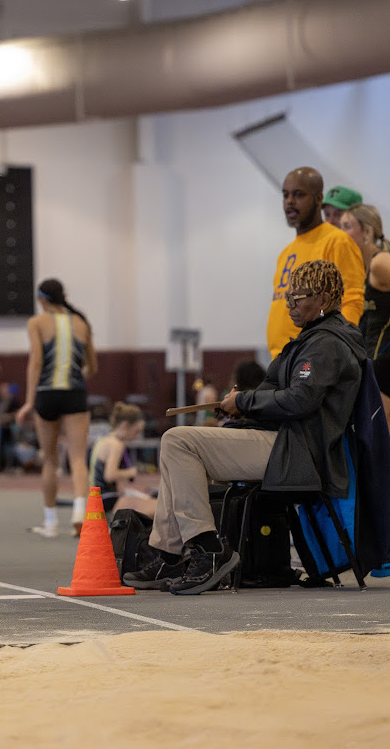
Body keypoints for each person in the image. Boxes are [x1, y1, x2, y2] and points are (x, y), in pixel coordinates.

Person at [125, 261, 364, 594]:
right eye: (288, 299)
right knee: (176, 447)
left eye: (298, 299)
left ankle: (209, 550)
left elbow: (300, 401)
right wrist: (243, 405)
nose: (290, 307)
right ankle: (168, 553)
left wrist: (246, 403)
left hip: (299, 453)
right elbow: (282, 395)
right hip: (286, 443)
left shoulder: (326, 344)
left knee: (178, 441)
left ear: (324, 297)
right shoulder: (315, 338)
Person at [16, 278, 98, 538]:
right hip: (74, 394)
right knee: (77, 458)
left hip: (46, 394)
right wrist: (76, 374)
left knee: (50, 459)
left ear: (42, 299)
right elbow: (92, 367)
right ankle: (78, 512)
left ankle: (50, 523)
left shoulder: (37, 323)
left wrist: (29, 402)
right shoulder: (81, 323)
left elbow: (36, 363)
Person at [267, 167, 364, 358]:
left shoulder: (337, 241)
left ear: (318, 199)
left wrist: (335, 349)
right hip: (281, 359)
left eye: (298, 195)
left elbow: (352, 300)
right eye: (285, 195)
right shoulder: (285, 252)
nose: (289, 202)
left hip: (314, 358)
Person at [340, 203, 390, 430]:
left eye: (347, 226)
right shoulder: (360, 270)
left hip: (384, 366)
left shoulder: (380, 262)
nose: (341, 234)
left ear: (367, 232)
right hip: (372, 366)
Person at [88, 402, 145, 518]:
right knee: (154, 506)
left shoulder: (102, 440)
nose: (136, 436)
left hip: (94, 498)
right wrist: (130, 472)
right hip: (106, 499)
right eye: (136, 431)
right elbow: (109, 475)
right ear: (125, 425)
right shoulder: (117, 445)